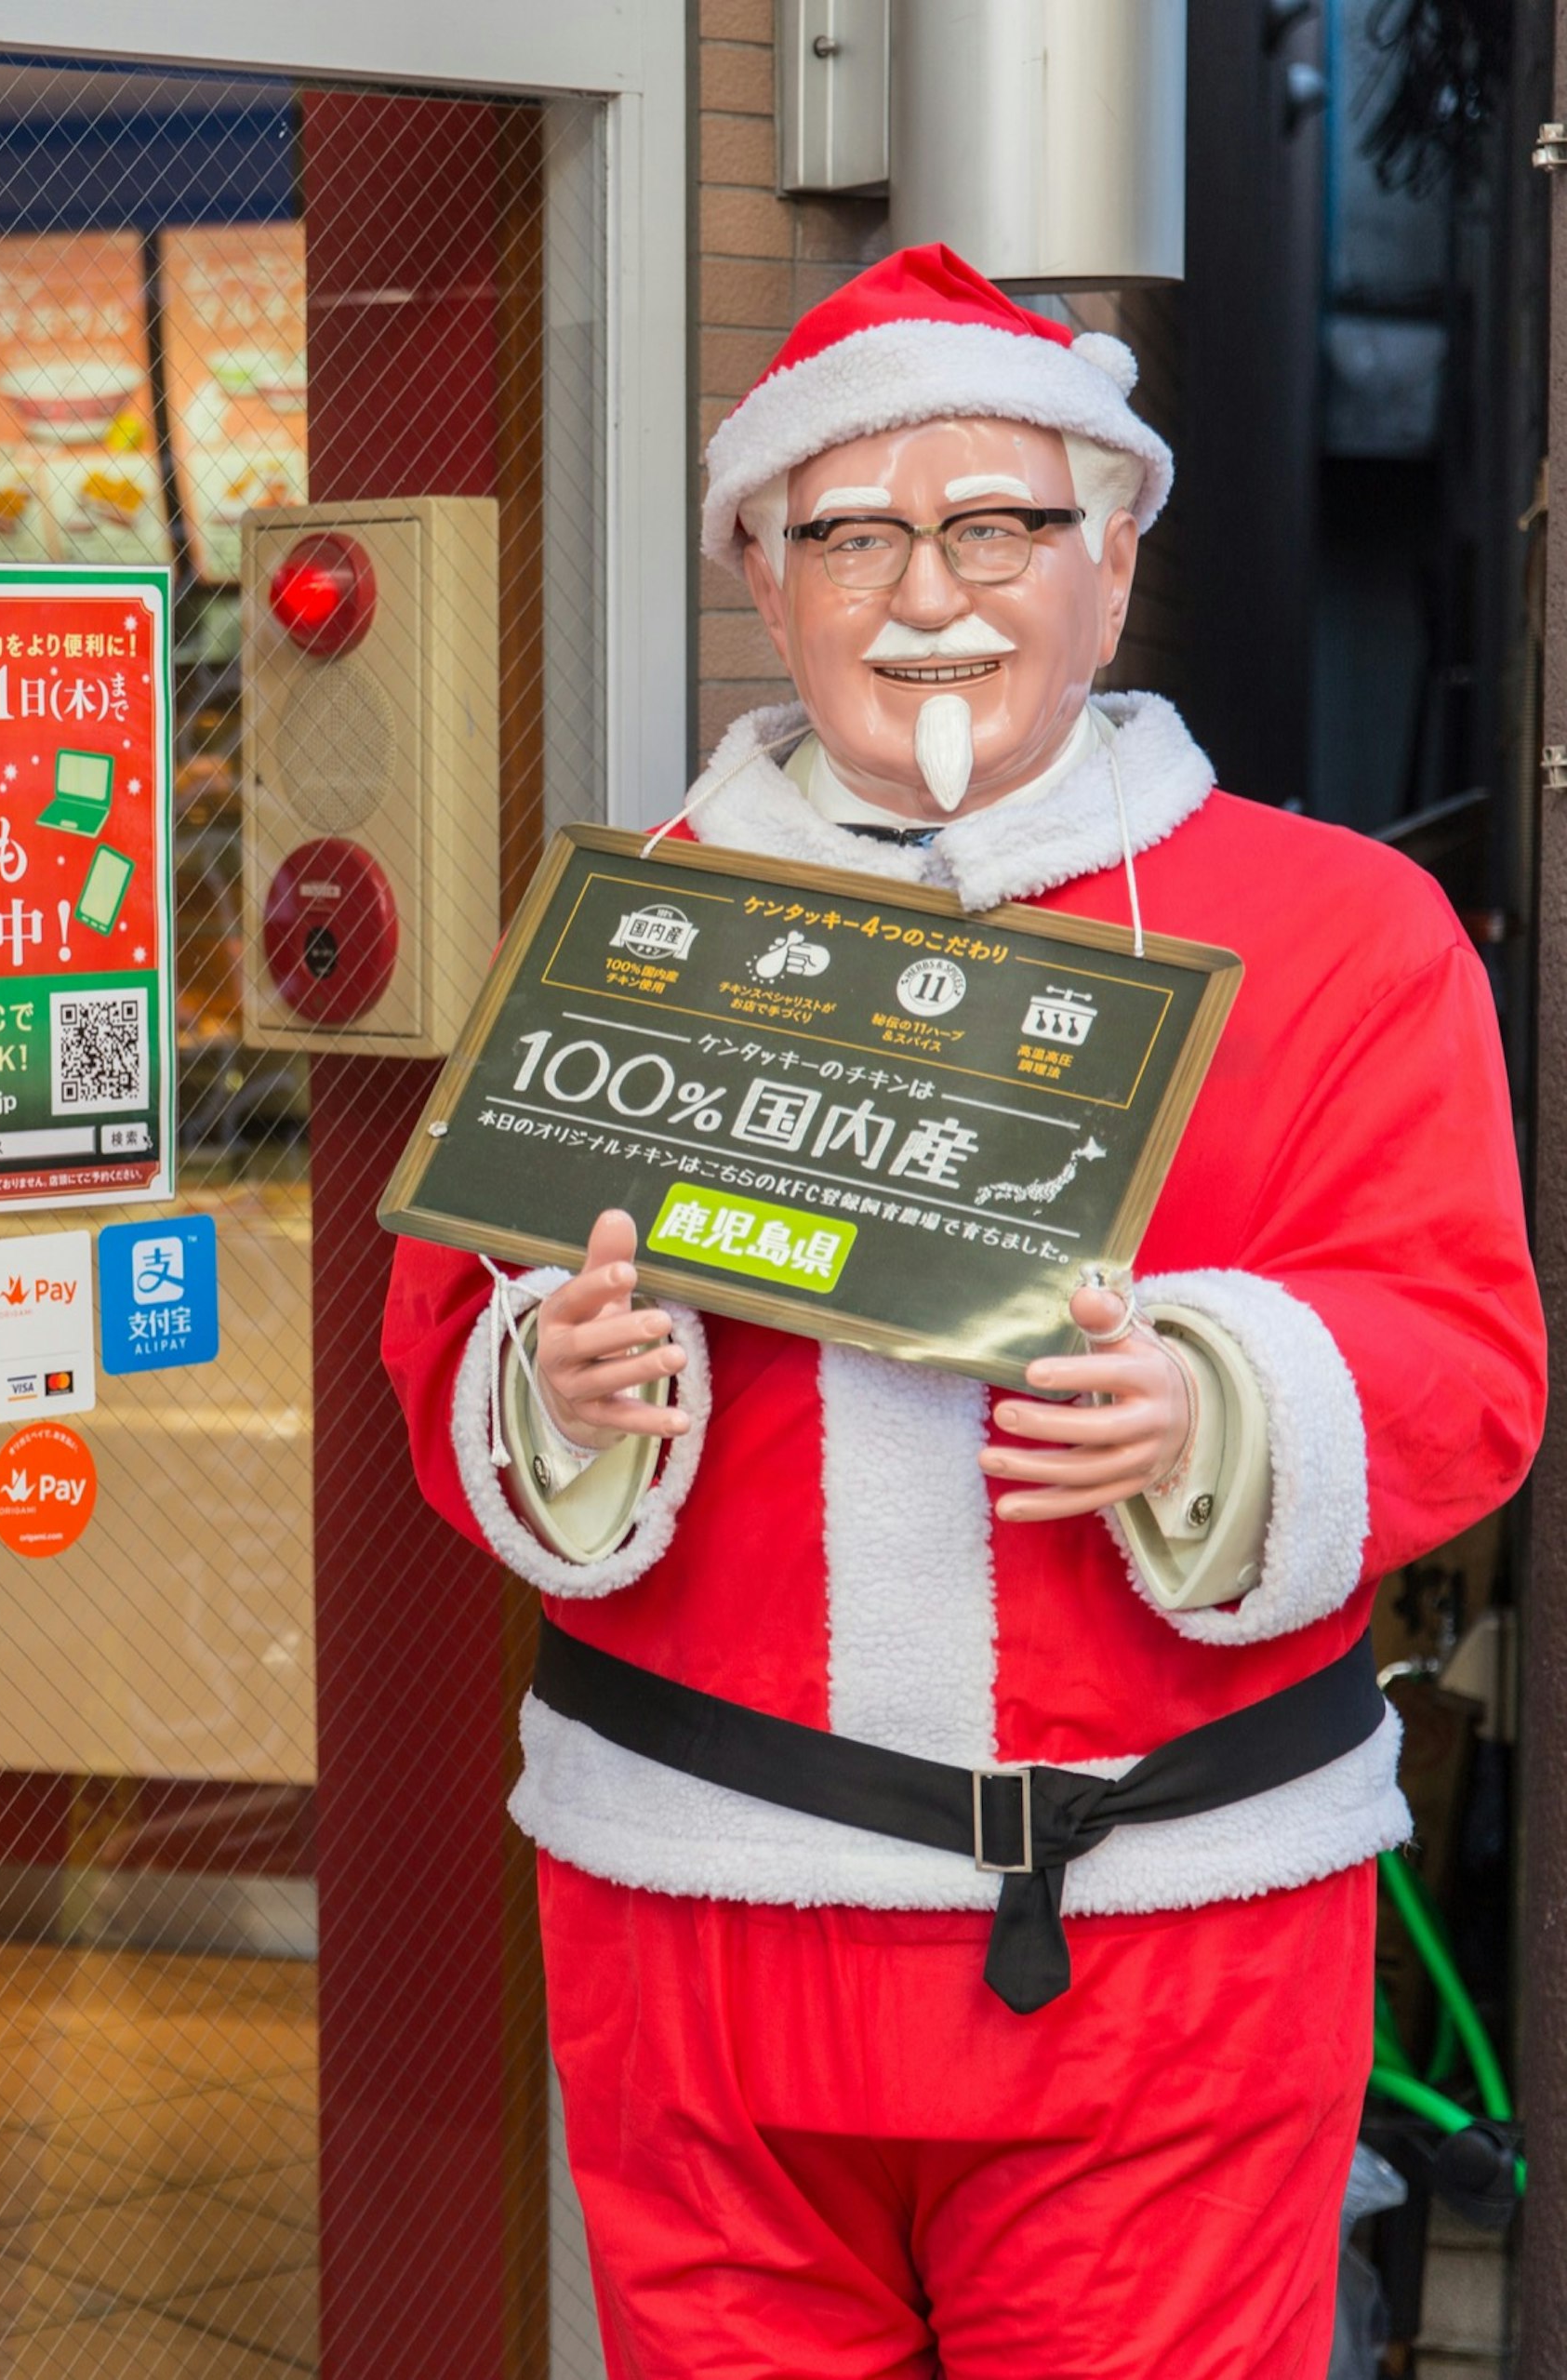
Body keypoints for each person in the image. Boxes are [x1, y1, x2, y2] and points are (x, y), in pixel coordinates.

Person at [381, 246, 1543, 2376]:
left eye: (998, 520)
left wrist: (1219, 1408)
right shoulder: (626, 929)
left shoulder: (1344, 930)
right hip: (699, 1915)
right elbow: (446, 1328)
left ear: (1114, 558)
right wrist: (552, 1388)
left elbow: (1464, 1357)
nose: (930, 589)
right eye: (850, 531)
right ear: (766, 576)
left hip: (1171, 1937)